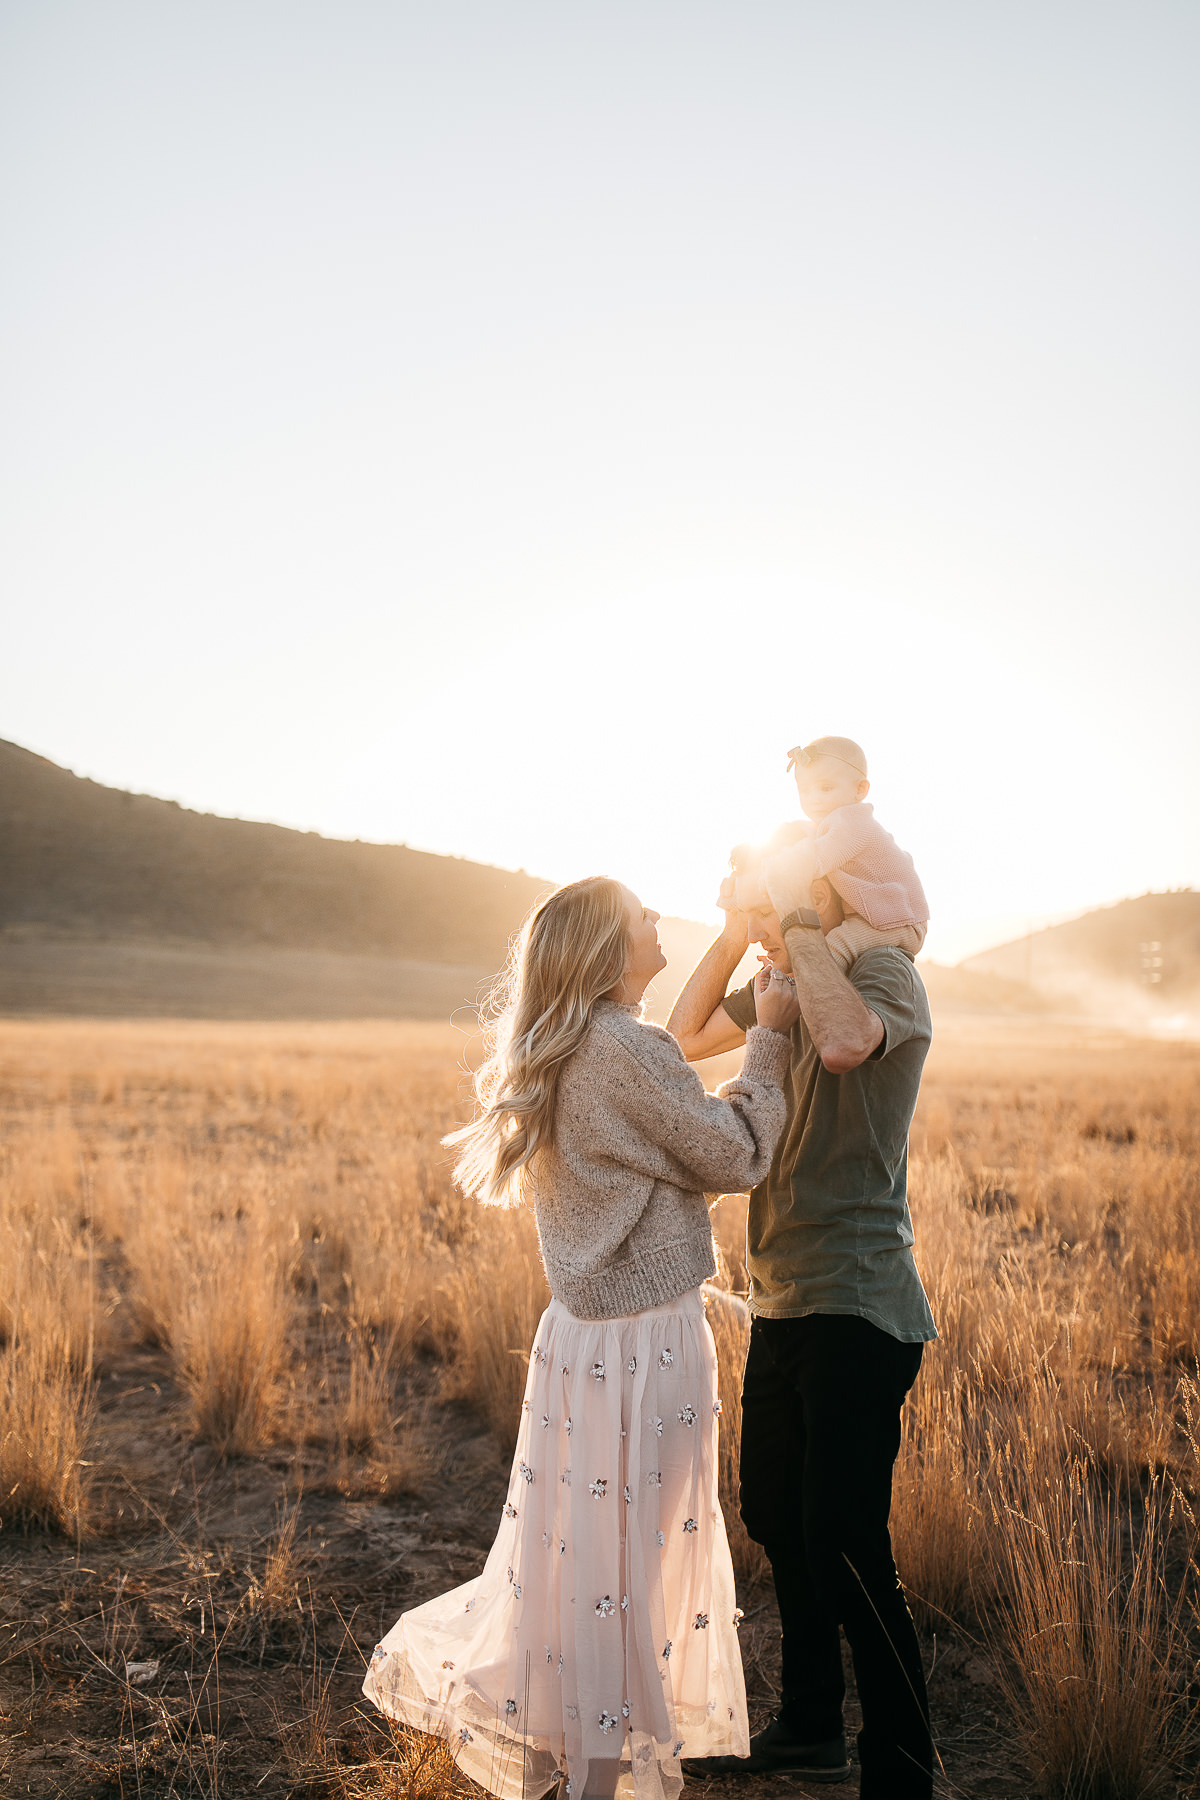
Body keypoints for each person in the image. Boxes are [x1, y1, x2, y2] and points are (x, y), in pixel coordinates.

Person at [363, 875, 799, 1800]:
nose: (657, 927)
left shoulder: (562, 1048)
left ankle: (578, 1764)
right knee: (630, 1562)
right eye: (644, 919)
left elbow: (665, 1157)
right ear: (609, 952)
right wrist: (769, 1041)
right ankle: (600, 1780)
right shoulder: (626, 1048)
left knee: (582, 1557)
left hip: (578, 1343)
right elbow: (736, 1153)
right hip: (647, 1344)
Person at [667, 829, 938, 1800]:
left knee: (847, 1537)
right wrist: (738, 930)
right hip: (783, 1299)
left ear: (821, 900)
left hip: (860, 1303)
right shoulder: (790, 971)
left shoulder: (885, 983)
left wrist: (795, 921)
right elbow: (682, 1037)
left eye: (788, 902)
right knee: (780, 1513)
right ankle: (813, 1725)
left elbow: (843, 1039)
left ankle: (901, 1767)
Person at [779, 735, 928, 973]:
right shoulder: (838, 823)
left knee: (838, 944)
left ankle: (808, 988)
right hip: (889, 915)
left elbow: (813, 863)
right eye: (804, 790)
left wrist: (776, 863)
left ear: (860, 789)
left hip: (901, 922)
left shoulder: (850, 822)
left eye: (826, 788)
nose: (813, 798)